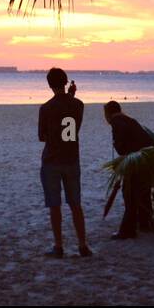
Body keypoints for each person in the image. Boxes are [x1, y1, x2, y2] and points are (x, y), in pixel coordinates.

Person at [37, 67, 92, 258]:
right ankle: (83, 245)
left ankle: (58, 245)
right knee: (75, 204)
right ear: (66, 82)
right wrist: (71, 96)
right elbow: (73, 126)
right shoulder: (78, 105)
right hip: (71, 158)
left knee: (55, 205)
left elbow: (42, 136)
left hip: (52, 159)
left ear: (49, 85)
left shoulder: (46, 108)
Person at [104, 100, 153, 239]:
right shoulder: (130, 120)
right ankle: (145, 223)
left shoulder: (116, 122)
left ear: (108, 113)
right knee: (144, 194)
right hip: (146, 158)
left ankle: (127, 230)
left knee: (129, 196)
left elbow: (121, 148)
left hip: (135, 160)